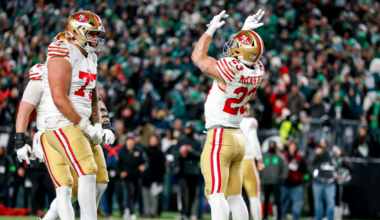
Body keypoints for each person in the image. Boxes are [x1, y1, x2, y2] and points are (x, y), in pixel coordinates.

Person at [15, 55, 115, 220]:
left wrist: (105, 125)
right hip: (51, 132)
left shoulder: (76, 73)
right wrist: (20, 141)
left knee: (98, 181)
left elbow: (95, 100)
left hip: (80, 130)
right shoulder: (41, 77)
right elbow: (24, 110)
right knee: (65, 187)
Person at [191, 8, 266, 220]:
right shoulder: (257, 70)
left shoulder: (230, 68)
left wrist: (210, 30)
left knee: (216, 195)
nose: (231, 48)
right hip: (237, 138)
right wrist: (245, 32)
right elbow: (248, 57)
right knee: (235, 196)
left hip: (220, 139)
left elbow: (198, 57)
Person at [40, 11, 109, 219]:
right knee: (87, 170)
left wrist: (99, 125)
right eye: (92, 34)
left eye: (98, 34)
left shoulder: (91, 56)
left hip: (82, 121)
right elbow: (59, 98)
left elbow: (93, 97)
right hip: (61, 121)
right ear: (77, 32)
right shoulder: (61, 52)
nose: (96, 39)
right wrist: (84, 124)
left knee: (101, 180)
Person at [172, 122, 202, 220]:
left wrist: (190, 150)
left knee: (192, 193)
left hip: (193, 171)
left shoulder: (196, 142)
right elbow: (174, 152)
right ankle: (183, 213)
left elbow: (200, 155)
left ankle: (189, 213)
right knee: (183, 191)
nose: (187, 130)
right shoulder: (181, 141)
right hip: (182, 170)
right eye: (186, 128)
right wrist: (181, 152)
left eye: (189, 129)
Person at [116, 132, 147, 220]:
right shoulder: (122, 152)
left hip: (136, 176)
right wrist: (121, 172)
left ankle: (127, 208)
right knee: (130, 192)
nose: (130, 142)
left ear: (134, 141)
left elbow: (145, 161)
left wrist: (144, 166)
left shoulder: (139, 150)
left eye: (131, 140)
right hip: (127, 177)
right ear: (126, 141)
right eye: (128, 140)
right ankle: (132, 212)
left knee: (136, 194)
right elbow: (117, 165)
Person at [308, 138, 340, 220]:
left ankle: (330, 218)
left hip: (330, 182)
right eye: (321, 144)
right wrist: (316, 154)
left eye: (324, 143)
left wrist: (338, 174)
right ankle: (318, 218)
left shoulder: (331, 153)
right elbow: (309, 165)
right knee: (318, 203)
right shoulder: (315, 152)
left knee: (330, 203)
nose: (323, 145)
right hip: (317, 182)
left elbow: (338, 163)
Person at [240, 116, 265, 220]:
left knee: (233, 197)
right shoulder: (249, 121)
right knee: (254, 195)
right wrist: (260, 159)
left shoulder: (227, 119)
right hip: (247, 160)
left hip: (232, 161)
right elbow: (254, 142)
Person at [261, 141, 288, 220]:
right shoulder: (264, 156)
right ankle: (265, 216)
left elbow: (285, 168)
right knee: (265, 200)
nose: (272, 147)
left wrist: (283, 177)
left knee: (277, 201)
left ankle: (278, 216)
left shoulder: (280, 157)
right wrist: (261, 178)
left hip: (276, 182)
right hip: (266, 182)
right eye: (270, 145)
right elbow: (260, 168)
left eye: (273, 145)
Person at [281, 142, 307, 220]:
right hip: (284, 184)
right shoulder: (283, 155)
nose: (292, 148)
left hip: (296, 184)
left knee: (297, 204)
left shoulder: (300, 157)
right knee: (282, 203)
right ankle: (280, 217)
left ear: (296, 147)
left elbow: (304, 170)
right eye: (291, 146)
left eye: (294, 146)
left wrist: (304, 180)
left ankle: (296, 218)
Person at [142, 135, 165, 218]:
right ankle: (147, 212)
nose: (152, 141)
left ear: (157, 141)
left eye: (154, 140)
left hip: (155, 179)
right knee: (146, 197)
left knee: (154, 197)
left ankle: (153, 212)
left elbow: (162, 168)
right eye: (151, 139)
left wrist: (160, 180)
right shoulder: (145, 151)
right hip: (145, 178)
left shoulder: (160, 153)